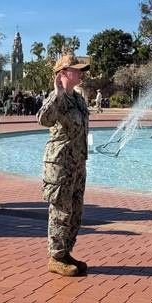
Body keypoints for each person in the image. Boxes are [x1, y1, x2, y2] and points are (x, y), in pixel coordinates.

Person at [36, 54, 91, 276]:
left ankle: (66, 251)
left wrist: (83, 162)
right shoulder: (56, 97)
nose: (81, 73)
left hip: (77, 164)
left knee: (75, 211)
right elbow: (43, 119)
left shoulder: (78, 99)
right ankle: (55, 257)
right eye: (76, 70)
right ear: (62, 74)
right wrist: (57, 94)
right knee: (60, 210)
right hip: (59, 165)